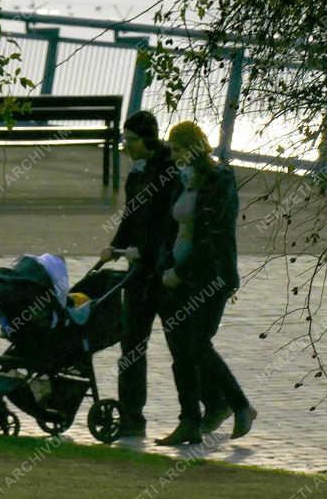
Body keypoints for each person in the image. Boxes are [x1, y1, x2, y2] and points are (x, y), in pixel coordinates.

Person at [154, 119, 255, 446]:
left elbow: (215, 236)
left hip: (210, 278)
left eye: (180, 149)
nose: (176, 156)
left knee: (196, 342)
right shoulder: (180, 180)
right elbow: (172, 230)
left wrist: (180, 273)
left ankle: (238, 404)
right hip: (177, 275)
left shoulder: (219, 181)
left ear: (196, 147)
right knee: (180, 349)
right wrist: (166, 267)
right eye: (173, 150)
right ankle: (190, 419)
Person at [96, 108, 179, 440]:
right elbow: (131, 218)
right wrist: (114, 247)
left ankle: (201, 411)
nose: (125, 146)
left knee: (182, 346)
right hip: (137, 272)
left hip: (162, 271)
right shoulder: (136, 174)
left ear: (148, 140)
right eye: (124, 139)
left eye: (130, 140)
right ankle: (132, 417)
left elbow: (167, 224)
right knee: (132, 344)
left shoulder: (169, 173)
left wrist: (145, 253)